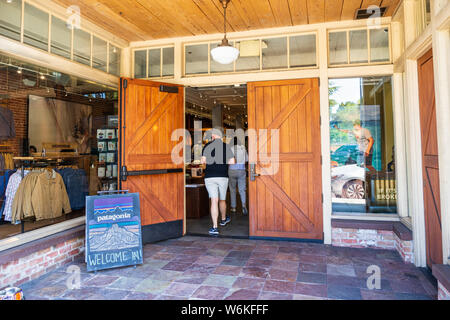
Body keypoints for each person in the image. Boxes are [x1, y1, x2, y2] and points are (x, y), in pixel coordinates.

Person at [201, 128, 235, 235]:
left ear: (214, 136)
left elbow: (203, 161)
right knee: (222, 199)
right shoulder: (226, 146)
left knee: (214, 200)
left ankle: (214, 227)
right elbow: (232, 161)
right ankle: (223, 219)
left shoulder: (207, 146)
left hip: (209, 176)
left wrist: (207, 165)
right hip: (222, 176)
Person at [228, 136, 248, 215]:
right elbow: (246, 160)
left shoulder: (230, 149)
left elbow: (227, 161)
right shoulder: (243, 148)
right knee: (242, 189)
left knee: (232, 189)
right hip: (241, 170)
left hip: (232, 170)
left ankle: (233, 207)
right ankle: (243, 205)